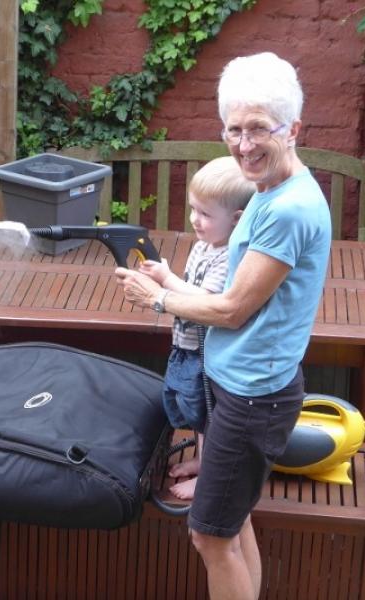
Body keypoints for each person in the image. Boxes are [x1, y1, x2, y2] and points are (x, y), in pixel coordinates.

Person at [115, 52, 332, 600]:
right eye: (233, 129)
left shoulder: (287, 210)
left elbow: (234, 309)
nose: (243, 144)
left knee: (210, 538)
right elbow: (223, 295)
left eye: (259, 128)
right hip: (238, 383)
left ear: (294, 129)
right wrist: (170, 280)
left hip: (253, 398)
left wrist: (160, 299)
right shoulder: (265, 191)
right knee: (233, 526)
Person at [137, 156, 254, 501]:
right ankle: (205, 462)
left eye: (205, 214)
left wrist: (164, 282)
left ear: (236, 220)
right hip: (186, 345)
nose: (194, 220)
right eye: (193, 209)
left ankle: (210, 477)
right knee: (193, 411)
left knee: (208, 414)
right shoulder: (205, 246)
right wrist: (169, 279)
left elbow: (205, 298)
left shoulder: (229, 254)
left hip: (208, 353)